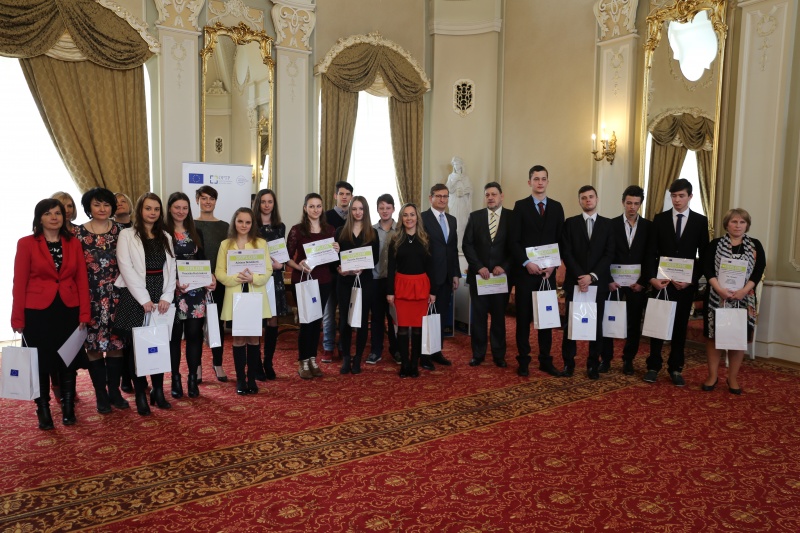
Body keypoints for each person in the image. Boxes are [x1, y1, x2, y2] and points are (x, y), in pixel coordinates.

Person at [12, 198, 90, 429]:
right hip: (37, 313)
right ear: (39, 218)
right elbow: (19, 283)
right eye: (48, 213)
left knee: (68, 360)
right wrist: (17, 318)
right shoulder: (26, 243)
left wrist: (84, 313)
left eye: (57, 213)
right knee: (41, 362)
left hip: (68, 309)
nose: (54, 217)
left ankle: (68, 407)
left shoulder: (73, 243)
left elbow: (81, 280)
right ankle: (43, 408)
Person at [113, 193, 177, 416]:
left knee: (158, 344)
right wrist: (144, 299)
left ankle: (158, 390)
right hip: (135, 295)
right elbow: (125, 267)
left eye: (156, 209)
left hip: (161, 296)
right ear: (140, 210)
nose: (152, 212)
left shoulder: (166, 236)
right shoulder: (127, 235)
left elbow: (172, 269)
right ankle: (140, 392)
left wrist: (167, 296)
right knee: (135, 348)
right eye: (148, 208)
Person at [644, 178, 709, 386]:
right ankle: (653, 366)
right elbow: (650, 252)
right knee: (658, 325)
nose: (677, 200)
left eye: (681, 196)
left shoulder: (700, 221)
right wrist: (652, 279)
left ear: (690, 197)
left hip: (684, 286)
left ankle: (676, 368)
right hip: (661, 284)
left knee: (680, 328)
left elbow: (704, 256)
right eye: (673, 196)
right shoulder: (660, 219)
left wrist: (691, 281)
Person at [74, 187, 129, 413]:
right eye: (97, 204)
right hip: (90, 297)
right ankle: (100, 394)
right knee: (93, 346)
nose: (102, 208)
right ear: (89, 207)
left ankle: (114, 391)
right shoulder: (77, 233)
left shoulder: (122, 231)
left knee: (116, 345)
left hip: (118, 296)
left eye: (106, 204)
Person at [509, 165, 565, 377]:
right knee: (523, 320)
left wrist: (553, 265)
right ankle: (523, 360)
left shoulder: (557, 207)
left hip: (547, 275)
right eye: (536, 179)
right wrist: (526, 263)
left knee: (546, 320)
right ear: (529, 182)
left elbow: (561, 241)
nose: (540, 182)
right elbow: (513, 241)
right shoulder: (520, 206)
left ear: (547, 182)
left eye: (543, 179)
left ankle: (545, 360)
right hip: (526, 274)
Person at [701, 208, 765, 394]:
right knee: (713, 336)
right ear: (727, 224)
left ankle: (733, 378)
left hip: (744, 298)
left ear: (747, 225)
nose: (738, 225)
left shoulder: (755, 245)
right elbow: (707, 268)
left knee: (738, 337)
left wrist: (743, 291)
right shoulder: (715, 244)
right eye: (734, 222)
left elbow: (758, 271)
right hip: (716, 297)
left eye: (742, 222)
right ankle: (712, 376)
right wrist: (720, 290)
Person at [215, 208, 272, 395]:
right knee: (239, 338)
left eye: (248, 222)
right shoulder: (225, 244)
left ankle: (251, 378)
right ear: (234, 222)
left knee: (254, 337)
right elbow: (219, 272)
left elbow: (268, 271)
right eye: (240, 221)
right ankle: (240, 379)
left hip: (255, 295)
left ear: (252, 224)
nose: (244, 225)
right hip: (235, 297)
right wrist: (236, 279)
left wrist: (253, 278)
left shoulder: (261, 243)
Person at [559, 185, 614, 379]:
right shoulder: (570, 223)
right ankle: (568, 364)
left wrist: (592, 276)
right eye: (583, 197)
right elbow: (566, 252)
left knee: (596, 326)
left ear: (596, 199)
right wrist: (580, 276)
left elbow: (609, 254)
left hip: (598, 284)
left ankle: (593, 365)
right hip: (575, 283)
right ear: (579, 201)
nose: (587, 200)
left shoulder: (608, 225)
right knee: (570, 326)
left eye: (591, 197)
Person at [166, 192, 216, 399]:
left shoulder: (196, 231)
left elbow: (202, 259)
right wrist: (174, 282)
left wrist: (210, 276)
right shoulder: (162, 232)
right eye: (177, 207)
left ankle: (193, 379)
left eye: (184, 208)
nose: (181, 211)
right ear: (170, 208)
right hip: (172, 291)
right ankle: (175, 379)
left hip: (195, 292)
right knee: (174, 338)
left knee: (194, 336)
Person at [286, 193, 339, 379]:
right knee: (306, 322)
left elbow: (332, 259)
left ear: (322, 208)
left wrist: (337, 250)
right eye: (311, 206)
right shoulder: (297, 230)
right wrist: (298, 266)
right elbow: (286, 257)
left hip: (323, 281)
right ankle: (303, 360)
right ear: (305, 208)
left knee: (317, 322)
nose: (315, 209)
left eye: (318, 206)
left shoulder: (330, 230)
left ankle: (312, 359)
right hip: (303, 280)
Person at [601, 185, 652, 376]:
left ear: (640, 204)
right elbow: (605, 254)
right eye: (629, 203)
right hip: (613, 283)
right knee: (608, 320)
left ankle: (628, 359)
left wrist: (643, 282)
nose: (632, 207)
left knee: (633, 322)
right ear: (623, 202)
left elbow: (650, 256)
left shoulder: (648, 227)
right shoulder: (610, 225)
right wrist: (608, 279)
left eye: (636, 203)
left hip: (636, 284)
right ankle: (605, 359)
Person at [461, 182, 511, 368]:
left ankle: (499, 355)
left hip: (500, 278)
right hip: (479, 277)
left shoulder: (511, 217)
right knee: (479, 318)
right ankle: (478, 354)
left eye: (494, 194)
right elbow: (467, 244)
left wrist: (504, 266)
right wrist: (478, 267)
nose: (490, 197)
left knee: (498, 318)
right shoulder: (475, 217)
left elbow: (516, 246)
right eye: (487, 195)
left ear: (501, 196)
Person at [387, 203, 436, 378]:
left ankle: (414, 364)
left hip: (421, 287)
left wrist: (433, 291)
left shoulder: (426, 239)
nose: (409, 218)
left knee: (417, 329)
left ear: (417, 217)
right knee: (401, 329)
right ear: (401, 218)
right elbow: (391, 268)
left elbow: (431, 267)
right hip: (401, 287)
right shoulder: (395, 240)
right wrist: (390, 292)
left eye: (412, 215)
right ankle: (404, 364)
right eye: (405, 215)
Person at [335, 196, 380, 374]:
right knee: (345, 321)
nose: (357, 212)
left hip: (364, 282)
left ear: (365, 211)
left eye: (361, 209)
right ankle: (346, 357)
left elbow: (375, 258)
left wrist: (363, 267)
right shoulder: (340, 231)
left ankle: (358, 358)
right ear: (350, 211)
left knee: (361, 321)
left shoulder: (372, 233)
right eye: (354, 209)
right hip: (345, 282)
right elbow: (335, 258)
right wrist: (340, 269)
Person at [420, 183, 458, 370]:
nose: (442, 199)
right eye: (439, 196)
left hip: (447, 277)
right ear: (431, 198)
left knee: (440, 317)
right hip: (428, 277)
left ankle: (436, 350)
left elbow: (452, 248)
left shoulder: (452, 219)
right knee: (427, 318)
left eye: (445, 196)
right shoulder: (422, 218)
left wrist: (456, 274)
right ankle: (424, 355)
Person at [195, 185, 230, 382]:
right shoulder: (190, 225)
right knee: (196, 327)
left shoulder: (225, 227)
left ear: (216, 201)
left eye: (211, 198)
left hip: (218, 283)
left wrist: (216, 276)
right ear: (197, 200)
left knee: (217, 324)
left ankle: (218, 363)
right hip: (194, 282)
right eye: (204, 198)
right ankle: (197, 365)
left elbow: (229, 256)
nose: (208, 202)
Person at [254, 188, 289, 381]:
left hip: (274, 278)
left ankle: (268, 361)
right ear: (258, 203)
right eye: (263, 201)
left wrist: (281, 266)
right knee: (257, 321)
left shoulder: (280, 226)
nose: (267, 205)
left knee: (272, 320)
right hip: (256, 278)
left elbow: (282, 254)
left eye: (270, 202)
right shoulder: (251, 225)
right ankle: (256, 363)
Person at [321, 180, 353, 363]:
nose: (344, 197)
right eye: (341, 194)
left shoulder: (355, 216)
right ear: (335, 196)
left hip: (348, 273)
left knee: (346, 313)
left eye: (347, 194)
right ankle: (328, 347)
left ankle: (343, 346)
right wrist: (336, 267)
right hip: (329, 272)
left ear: (351, 197)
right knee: (329, 313)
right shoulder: (326, 217)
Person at [367, 194, 399, 365]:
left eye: (388, 208)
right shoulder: (371, 230)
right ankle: (376, 351)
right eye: (381, 208)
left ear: (393, 209)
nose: (385, 211)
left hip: (394, 281)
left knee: (394, 317)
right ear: (377, 209)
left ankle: (396, 350)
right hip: (375, 279)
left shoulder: (400, 230)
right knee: (377, 317)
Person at [445, 156, 472, 248]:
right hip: (454, 202)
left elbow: (470, 190)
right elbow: (448, 189)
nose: (456, 166)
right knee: (454, 221)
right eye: (454, 164)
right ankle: (454, 244)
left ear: (461, 165)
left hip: (463, 203)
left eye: (457, 164)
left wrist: (463, 192)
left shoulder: (466, 178)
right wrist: (455, 180)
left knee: (463, 222)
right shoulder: (451, 176)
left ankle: (461, 244)